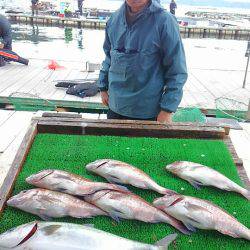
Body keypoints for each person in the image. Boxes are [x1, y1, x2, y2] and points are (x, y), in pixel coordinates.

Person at [98, 0, 187, 123]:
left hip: (147, 112)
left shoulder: (165, 21)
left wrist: (167, 109)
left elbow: (177, 70)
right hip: (115, 107)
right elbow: (109, 57)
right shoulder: (114, 20)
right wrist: (102, 88)